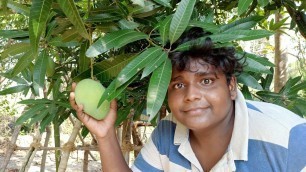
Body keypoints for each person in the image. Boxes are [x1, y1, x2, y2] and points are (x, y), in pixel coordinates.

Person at [70, 28, 306, 172]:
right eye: (179, 85)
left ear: (231, 86)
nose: (191, 95)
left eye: (206, 81)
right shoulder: (168, 132)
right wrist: (105, 134)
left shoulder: (290, 139)